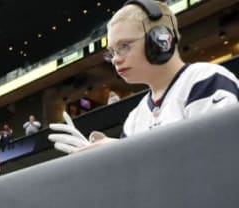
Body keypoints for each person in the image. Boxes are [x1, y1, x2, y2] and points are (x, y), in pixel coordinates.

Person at [49, 0, 239, 154]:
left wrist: (124, 151)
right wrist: (100, 162)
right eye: (112, 52)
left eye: (124, 46)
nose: (115, 59)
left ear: (161, 40)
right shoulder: (135, 118)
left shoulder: (205, 79)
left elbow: (217, 154)